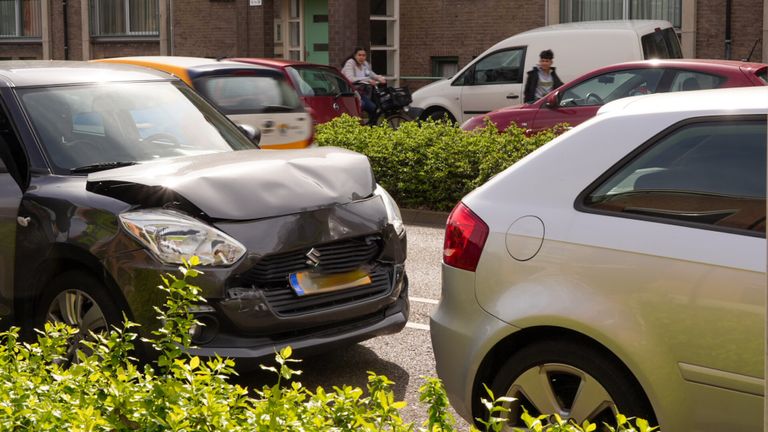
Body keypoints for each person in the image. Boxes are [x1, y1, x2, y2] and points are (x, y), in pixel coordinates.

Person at [342, 47, 386, 124]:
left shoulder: (365, 64)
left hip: (360, 94)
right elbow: (350, 78)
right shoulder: (350, 63)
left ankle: (371, 126)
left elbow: (371, 74)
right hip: (350, 94)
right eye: (359, 55)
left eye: (364, 55)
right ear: (355, 55)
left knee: (373, 108)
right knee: (361, 107)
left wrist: (379, 78)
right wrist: (367, 80)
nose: (362, 57)